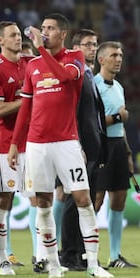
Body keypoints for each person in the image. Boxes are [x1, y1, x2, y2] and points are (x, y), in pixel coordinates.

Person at [7, 13, 114, 278]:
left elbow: (65, 79)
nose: (44, 32)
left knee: (82, 198)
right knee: (42, 202)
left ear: (62, 34)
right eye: (43, 28)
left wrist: (41, 50)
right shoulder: (32, 66)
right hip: (36, 144)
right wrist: (13, 144)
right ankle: (54, 265)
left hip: (67, 142)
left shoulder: (74, 58)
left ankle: (93, 265)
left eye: (51, 28)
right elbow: (26, 108)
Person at [0, 21, 35, 275]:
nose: (18, 38)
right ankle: (3, 259)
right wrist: (26, 100)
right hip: (6, 145)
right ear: (0, 40)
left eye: (19, 34)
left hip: (35, 143)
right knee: (4, 198)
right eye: (13, 35)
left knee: (40, 198)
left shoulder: (30, 63)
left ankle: (43, 256)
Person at [60, 29, 108, 271]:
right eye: (88, 44)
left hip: (94, 146)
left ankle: (81, 252)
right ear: (76, 47)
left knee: (84, 201)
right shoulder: (77, 77)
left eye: (95, 44)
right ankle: (68, 254)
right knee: (74, 201)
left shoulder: (89, 75)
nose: (93, 48)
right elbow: (72, 114)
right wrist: (76, 144)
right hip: (81, 148)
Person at [93, 41, 138, 269]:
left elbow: (119, 126)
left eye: (120, 55)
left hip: (119, 146)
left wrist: (128, 152)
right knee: (97, 200)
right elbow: (93, 123)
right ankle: (89, 253)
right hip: (101, 146)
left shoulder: (118, 87)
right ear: (101, 59)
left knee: (118, 200)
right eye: (113, 55)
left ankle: (115, 255)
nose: (118, 59)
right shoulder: (94, 86)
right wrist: (119, 118)